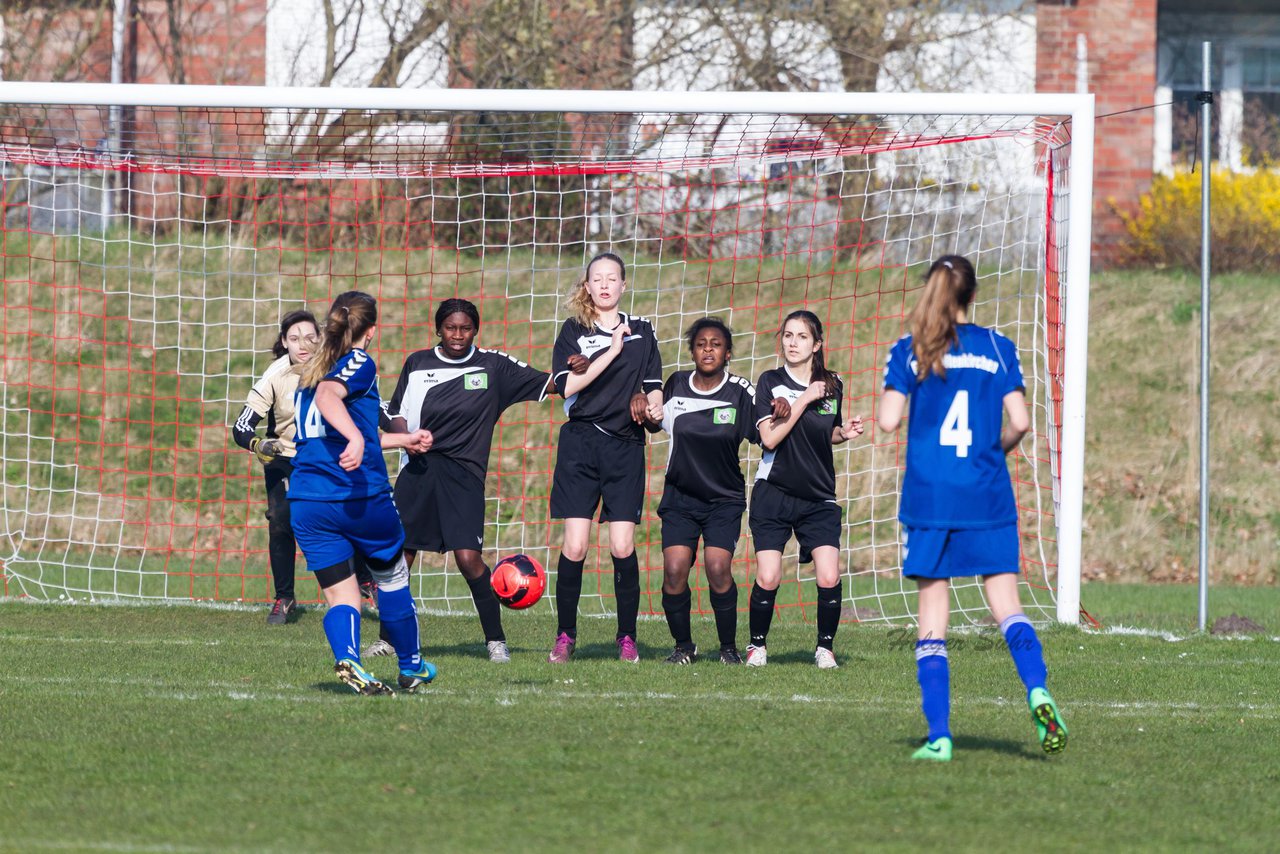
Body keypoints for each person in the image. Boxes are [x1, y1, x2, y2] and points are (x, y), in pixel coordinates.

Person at [878, 254, 1067, 761]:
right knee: (1006, 605)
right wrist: (992, 449)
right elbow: (1022, 423)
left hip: (930, 496)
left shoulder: (911, 347)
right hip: (986, 491)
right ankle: (1037, 690)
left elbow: (889, 421)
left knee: (933, 617)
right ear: (972, 294)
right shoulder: (999, 348)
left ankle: (939, 736)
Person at [382, 298, 587, 663]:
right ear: (438, 329)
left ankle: (495, 641)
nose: (458, 335)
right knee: (401, 556)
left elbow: (551, 384)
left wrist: (576, 367)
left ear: (475, 329)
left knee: (469, 559)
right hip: (418, 471)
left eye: (465, 328)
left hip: (464, 476)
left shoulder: (493, 365)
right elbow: (395, 413)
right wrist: (407, 438)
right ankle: (388, 639)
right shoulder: (418, 364)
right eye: (450, 328)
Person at [289, 290, 436, 695]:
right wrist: (356, 438)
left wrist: (400, 440)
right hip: (356, 497)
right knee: (392, 577)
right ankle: (411, 666)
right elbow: (331, 400)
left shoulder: (311, 369)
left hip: (306, 501)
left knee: (343, 594)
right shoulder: (358, 362)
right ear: (370, 331)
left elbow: (330, 426)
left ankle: (351, 660)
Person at [641, 318, 789, 665]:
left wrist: (781, 407)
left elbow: (768, 424)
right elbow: (652, 421)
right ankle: (683, 647)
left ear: (727, 353)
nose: (708, 349)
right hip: (680, 498)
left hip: (723, 498)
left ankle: (728, 648)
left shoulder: (740, 391)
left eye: (716, 344)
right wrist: (640, 405)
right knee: (675, 570)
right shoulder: (675, 384)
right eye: (701, 343)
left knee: (718, 567)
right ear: (692, 350)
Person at [546, 251, 663, 663]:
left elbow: (653, 385)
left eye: (613, 278)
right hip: (580, 445)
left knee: (621, 546)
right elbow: (567, 386)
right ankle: (565, 636)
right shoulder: (573, 330)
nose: (606, 284)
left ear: (624, 285)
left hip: (625, 446)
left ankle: (626, 637)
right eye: (598, 278)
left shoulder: (644, 331)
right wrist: (611, 352)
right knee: (575, 546)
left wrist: (655, 408)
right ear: (588, 285)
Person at [746, 310, 864, 669]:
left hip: (819, 495)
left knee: (829, 574)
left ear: (817, 345)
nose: (792, 343)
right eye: (787, 335)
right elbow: (768, 439)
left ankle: (825, 649)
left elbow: (824, 430)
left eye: (801, 337)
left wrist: (844, 433)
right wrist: (803, 399)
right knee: (769, 575)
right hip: (774, 492)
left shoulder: (833, 384)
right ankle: (757, 646)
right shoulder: (769, 381)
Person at [232, 310, 318, 625]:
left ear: (320, 339)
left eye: (310, 337)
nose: (303, 344)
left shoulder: (337, 368)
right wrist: (257, 445)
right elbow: (241, 427)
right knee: (281, 519)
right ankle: (284, 597)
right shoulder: (275, 374)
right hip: (284, 456)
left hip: (324, 456)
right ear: (284, 342)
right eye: (294, 338)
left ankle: (365, 578)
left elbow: (367, 404)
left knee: (340, 515)